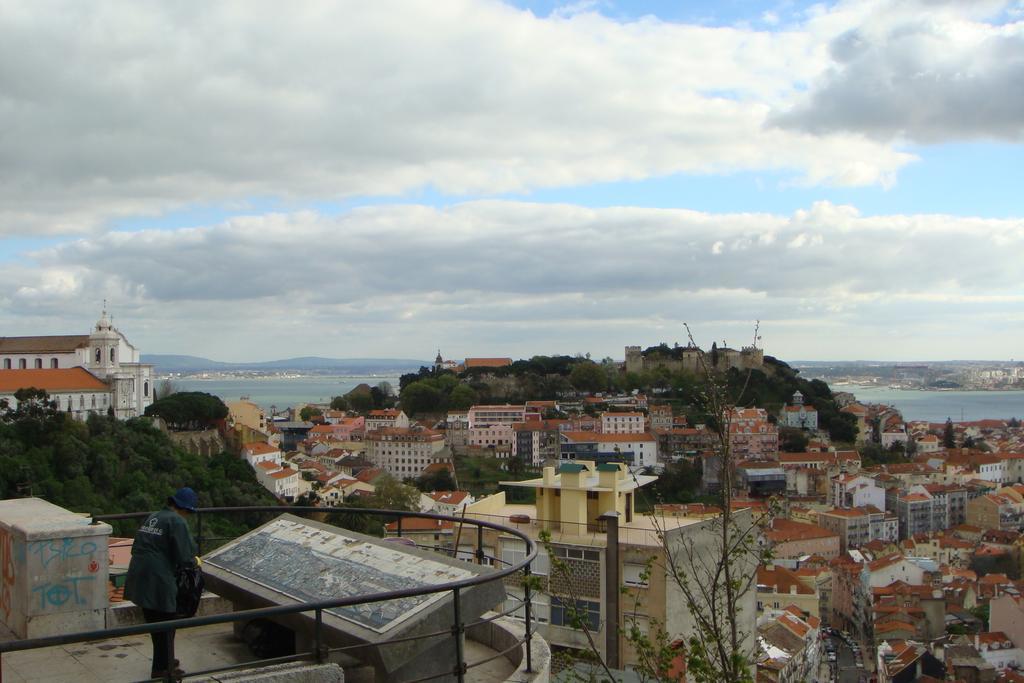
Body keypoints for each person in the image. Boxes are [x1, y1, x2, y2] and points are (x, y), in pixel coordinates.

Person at [125, 487, 199, 680]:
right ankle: (161, 670)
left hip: (138, 575)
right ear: (185, 509)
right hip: (158, 579)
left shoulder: (154, 516)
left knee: (154, 623)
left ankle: (166, 659)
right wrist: (196, 562)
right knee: (166, 624)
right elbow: (185, 556)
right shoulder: (177, 521)